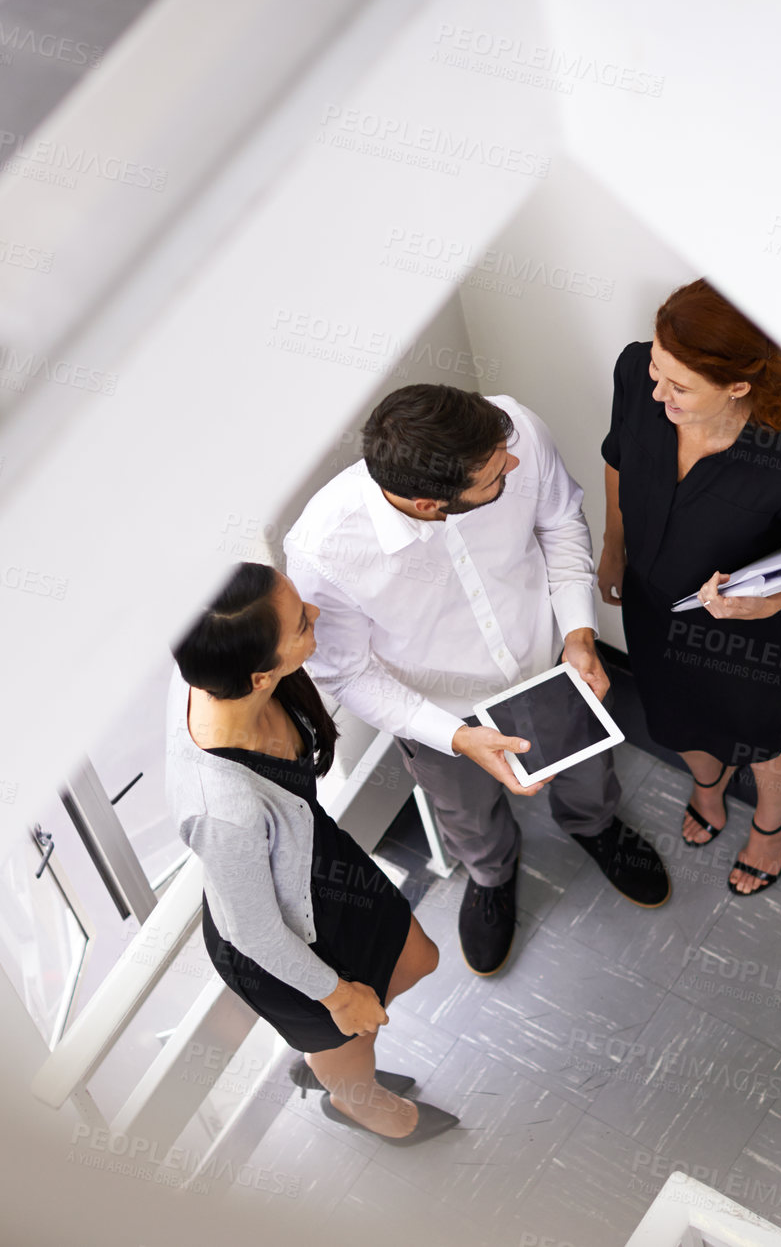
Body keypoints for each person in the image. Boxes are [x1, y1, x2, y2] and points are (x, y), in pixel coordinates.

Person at [285, 385, 669, 979]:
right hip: (439, 717)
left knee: (590, 772)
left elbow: (561, 522)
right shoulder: (325, 552)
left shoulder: (510, 426)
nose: (512, 463)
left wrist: (579, 634)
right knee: (465, 813)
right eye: (494, 475)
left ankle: (595, 826)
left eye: (506, 452)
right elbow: (345, 672)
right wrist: (458, 738)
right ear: (430, 504)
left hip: (549, 662)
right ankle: (491, 875)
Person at [168, 563, 458, 1144]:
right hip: (278, 937)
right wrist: (338, 997)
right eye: (302, 623)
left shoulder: (216, 658)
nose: (316, 617)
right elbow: (256, 933)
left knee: (416, 960)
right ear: (259, 677)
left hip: (320, 866)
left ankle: (333, 1056)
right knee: (352, 1027)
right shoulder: (223, 808)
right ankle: (352, 1096)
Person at [597, 279, 781, 895]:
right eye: (657, 370)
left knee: (763, 738)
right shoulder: (637, 372)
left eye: (679, 386)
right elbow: (618, 456)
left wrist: (768, 602)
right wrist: (614, 549)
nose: (656, 389)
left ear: (738, 386)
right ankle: (708, 786)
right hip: (651, 604)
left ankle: (774, 826)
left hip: (741, 634)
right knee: (674, 719)